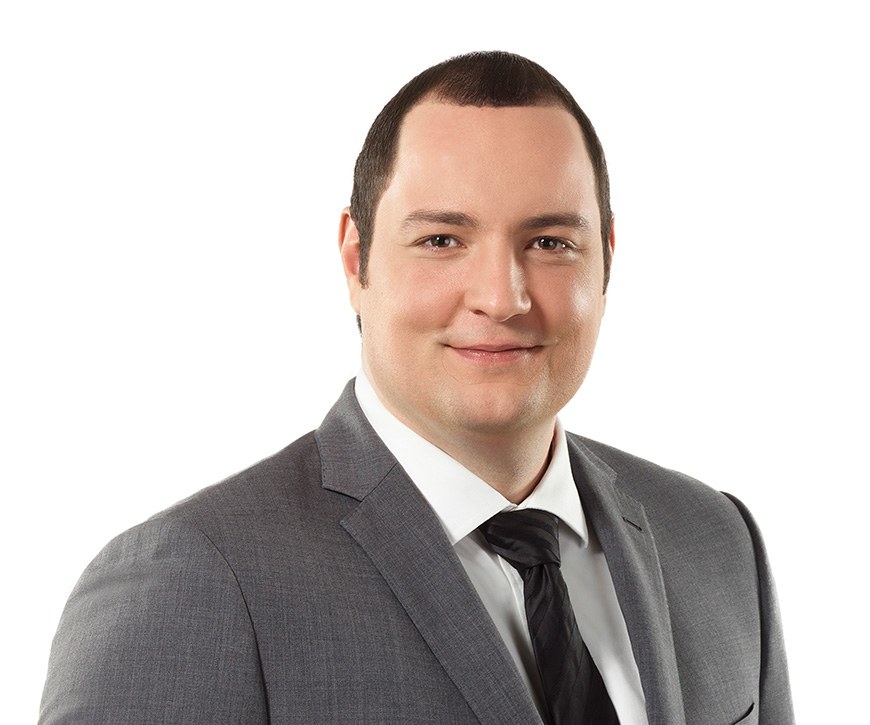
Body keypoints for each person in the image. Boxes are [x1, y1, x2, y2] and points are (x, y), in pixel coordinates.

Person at [40, 51, 794, 725]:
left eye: (549, 242)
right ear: (356, 258)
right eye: (442, 240)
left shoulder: (715, 540)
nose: (501, 297)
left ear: (607, 257)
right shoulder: (193, 584)